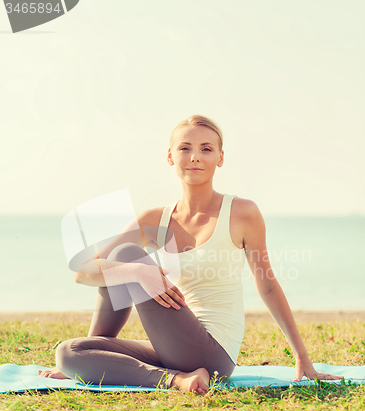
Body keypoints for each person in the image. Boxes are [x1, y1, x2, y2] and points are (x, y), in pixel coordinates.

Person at [39, 115, 343, 394]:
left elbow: (267, 284)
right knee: (69, 352)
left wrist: (302, 358)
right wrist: (137, 272)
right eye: (185, 148)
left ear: (220, 158)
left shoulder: (241, 213)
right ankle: (146, 367)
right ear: (170, 156)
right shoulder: (154, 218)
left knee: (127, 253)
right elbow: (83, 271)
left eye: (206, 149)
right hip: (173, 344)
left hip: (214, 355)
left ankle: (180, 377)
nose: (195, 156)